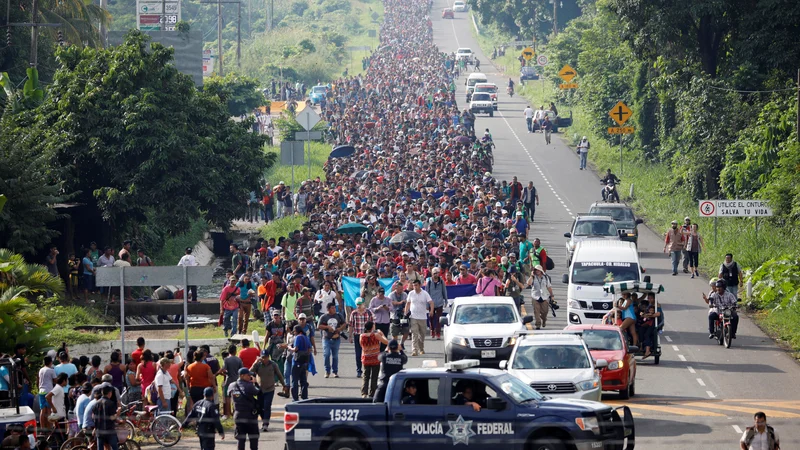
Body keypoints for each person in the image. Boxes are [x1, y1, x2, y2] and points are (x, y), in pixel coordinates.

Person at [250, 349, 286, 431]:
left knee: (267, 406)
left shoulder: (273, 365)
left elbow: (279, 375)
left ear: (268, 357)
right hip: (259, 389)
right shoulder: (258, 365)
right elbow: (249, 372)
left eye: (265, 357)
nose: (264, 359)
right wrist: (255, 362)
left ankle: (265, 424)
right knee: (260, 407)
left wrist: (284, 385)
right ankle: (264, 421)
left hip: (270, 389)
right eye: (262, 357)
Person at [228, 368, 260, 450]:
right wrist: (255, 383)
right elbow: (258, 392)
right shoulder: (249, 386)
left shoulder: (232, 385)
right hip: (249, 415)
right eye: (248, 375)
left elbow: (228, 395)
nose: (250, 376)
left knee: (241, 438)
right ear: (242, 376)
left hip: (238, 415)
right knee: (253, 438)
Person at [405, 279, 434, 357]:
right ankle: (414, 350)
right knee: (415, 333)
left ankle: (421, 348)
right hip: (413, 316)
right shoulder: (411, 293)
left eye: (416, 285)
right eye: (413, 285)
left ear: (420, 285)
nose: (415, 287)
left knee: (422, 335)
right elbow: (408, 303)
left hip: (422, 317)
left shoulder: (425, 294)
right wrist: (405, 312)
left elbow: (431, 302)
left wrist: (431, 311)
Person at [359, 321, 388, 399]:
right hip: (375, 358)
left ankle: (364, 393)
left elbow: (361, 345)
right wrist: (382, 334)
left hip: (366, 358)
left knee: (365, 376)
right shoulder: (376, 335)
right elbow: (386, 342)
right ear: (372, 327)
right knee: (374, 377)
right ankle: (372, 393)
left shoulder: (362, 336)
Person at [318, 302, 346, 378]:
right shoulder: (324, 317)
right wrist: (327, 327)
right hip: (326, 338)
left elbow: (344, 323)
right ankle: (327, 371)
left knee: (335, 356)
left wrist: (340, 328)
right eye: (332, 308)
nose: (334, 309)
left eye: (334, 307)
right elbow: (319, 326)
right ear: (328, 309)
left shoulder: (339, 316)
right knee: (326, 354)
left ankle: (335, 371)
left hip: (336, 339)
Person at [349, 298, 373, 378]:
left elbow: (373, 324)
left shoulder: (369, 313)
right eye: (357, 304)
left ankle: (368, 370)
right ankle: (359, 370)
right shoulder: (354, 313)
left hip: (367, 335)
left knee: (368, 354)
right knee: (358, 354)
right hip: (357, 335)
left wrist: (372, 334)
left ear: (364, 304)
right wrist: (350, 336)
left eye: (360, 304)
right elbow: (351, 325)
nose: (359, 306)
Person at [288, 325, 312, 401]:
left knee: (294, 380)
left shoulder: (298, 337)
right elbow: (309, 349)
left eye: (295, 331)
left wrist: (289, 347)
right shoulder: (306, 338)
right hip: (304, 362)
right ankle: (305, 397)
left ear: (299, 331)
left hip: (296, 361)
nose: (294, 333)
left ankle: (295, 398)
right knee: (303, 380)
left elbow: (295, 349)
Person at [92, 386, 120, 450]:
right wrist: (117, 414)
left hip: (99, 431)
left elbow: (93, 417)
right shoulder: (110, 403)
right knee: (115, 448)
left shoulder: (96, 403)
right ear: (110, 393)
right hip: (109, 431)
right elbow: (112, 418)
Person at [527, 265, 554, 329]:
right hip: (535, 297)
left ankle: (544, 320)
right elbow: (528, 283)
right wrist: (531, 276)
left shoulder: (546, 277)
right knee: (536, 312)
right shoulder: (533, 277)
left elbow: (549, 287)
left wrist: (552, 295)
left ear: (541, 271)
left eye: (538, 270)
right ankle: (538, 324)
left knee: (544, 312)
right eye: (536, 270)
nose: (537, 271)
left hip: (544, 297)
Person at [425, 268, 448, 340]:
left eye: (437, 273)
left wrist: (446, 300)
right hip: (431, 303)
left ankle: (438, 333)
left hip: (439, 302)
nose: (436, 274)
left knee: (439, 318)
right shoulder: (428, 282)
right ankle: (432, 330)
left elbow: (444, 291)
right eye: (434, 273)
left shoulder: (441, 281)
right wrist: (427, 304)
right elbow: (426, 293)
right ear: (432, 274)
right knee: (431, 318)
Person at [221, 345, 243, 420]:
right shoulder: (238, 359)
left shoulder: (226, 359)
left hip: (229, 380)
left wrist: (225, 373)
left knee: (227, 397)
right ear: (235, 351)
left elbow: (224, 369)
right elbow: (241, 370)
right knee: (236, 396)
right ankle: (236, 411)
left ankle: (228, 413)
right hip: (236, 380)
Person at [37, 356, 57, 429]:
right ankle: (49, 428)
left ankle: (42, 428)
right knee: (48, 410)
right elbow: (55, 380)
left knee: (42, 410)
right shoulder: (51, 370)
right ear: (50, 362)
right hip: (48, 391)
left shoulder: (41, 370)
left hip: (41, 391)